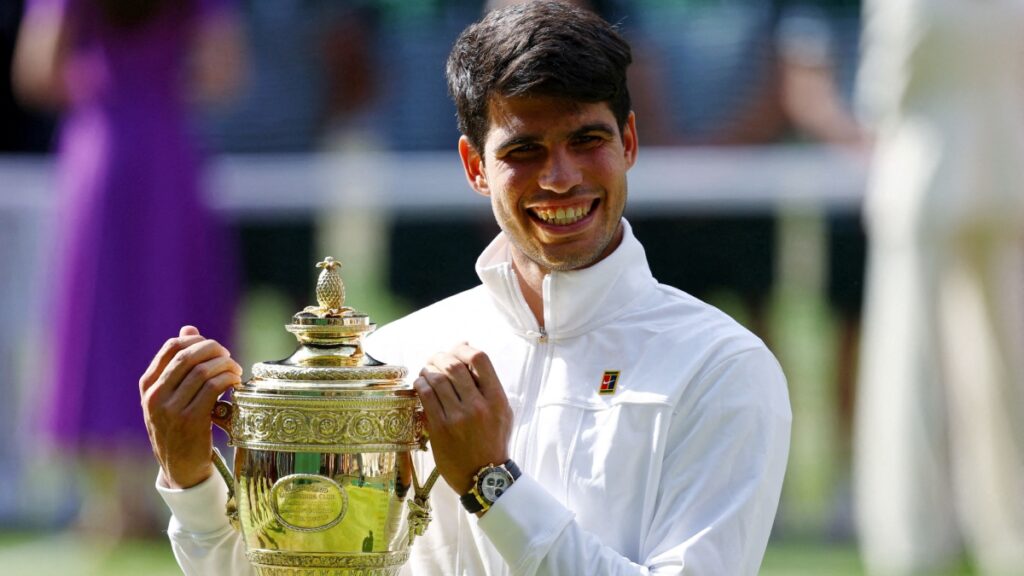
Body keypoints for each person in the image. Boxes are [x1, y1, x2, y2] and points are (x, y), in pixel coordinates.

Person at [140, 2, 792, 573]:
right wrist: (191, 475)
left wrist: (492, 485)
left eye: (586, 140)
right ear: (475, 166)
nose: (560, 177)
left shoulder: (719, 366)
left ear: (628, 142)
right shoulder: (397, 358)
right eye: (524, 151)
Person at [13, 0, 243, 537]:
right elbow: (222, 73)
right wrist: (160, 84)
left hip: (100, 148)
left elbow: (36, 71)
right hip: (167, 150)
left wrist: (100, 83)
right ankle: (167, 487)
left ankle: (106, 500)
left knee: (98, 315)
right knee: (171, 305)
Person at [853, 0, 1024, 574]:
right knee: (1008, 370)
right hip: (1009, 175)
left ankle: (912, 535)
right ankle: (1009, 534)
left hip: (926, 175)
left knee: (910, 370)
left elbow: (884, 87)